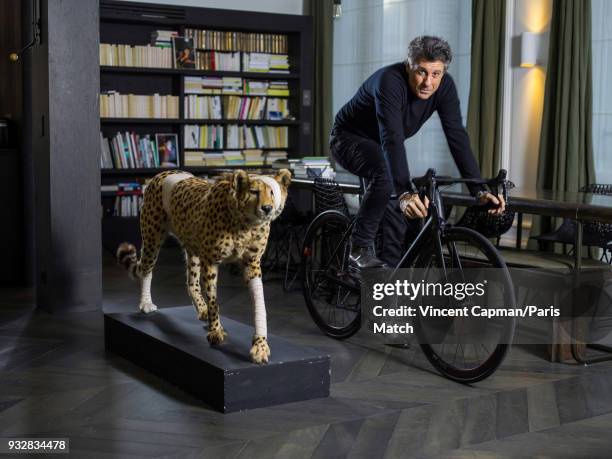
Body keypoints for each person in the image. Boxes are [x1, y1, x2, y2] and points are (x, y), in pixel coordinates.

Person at [329, 35, 505, 271]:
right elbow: (391, 138)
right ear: (408, 65)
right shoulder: (389, 82)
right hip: (348, 138)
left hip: (381, 148)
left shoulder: (445, 87)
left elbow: (457, 137)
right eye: (421, 72)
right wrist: (404, 192)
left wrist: (479, 190)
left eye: (436, 74)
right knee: (385, 175)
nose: (428, 83)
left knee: (400, 219)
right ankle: (359, 247)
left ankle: (387, 291)